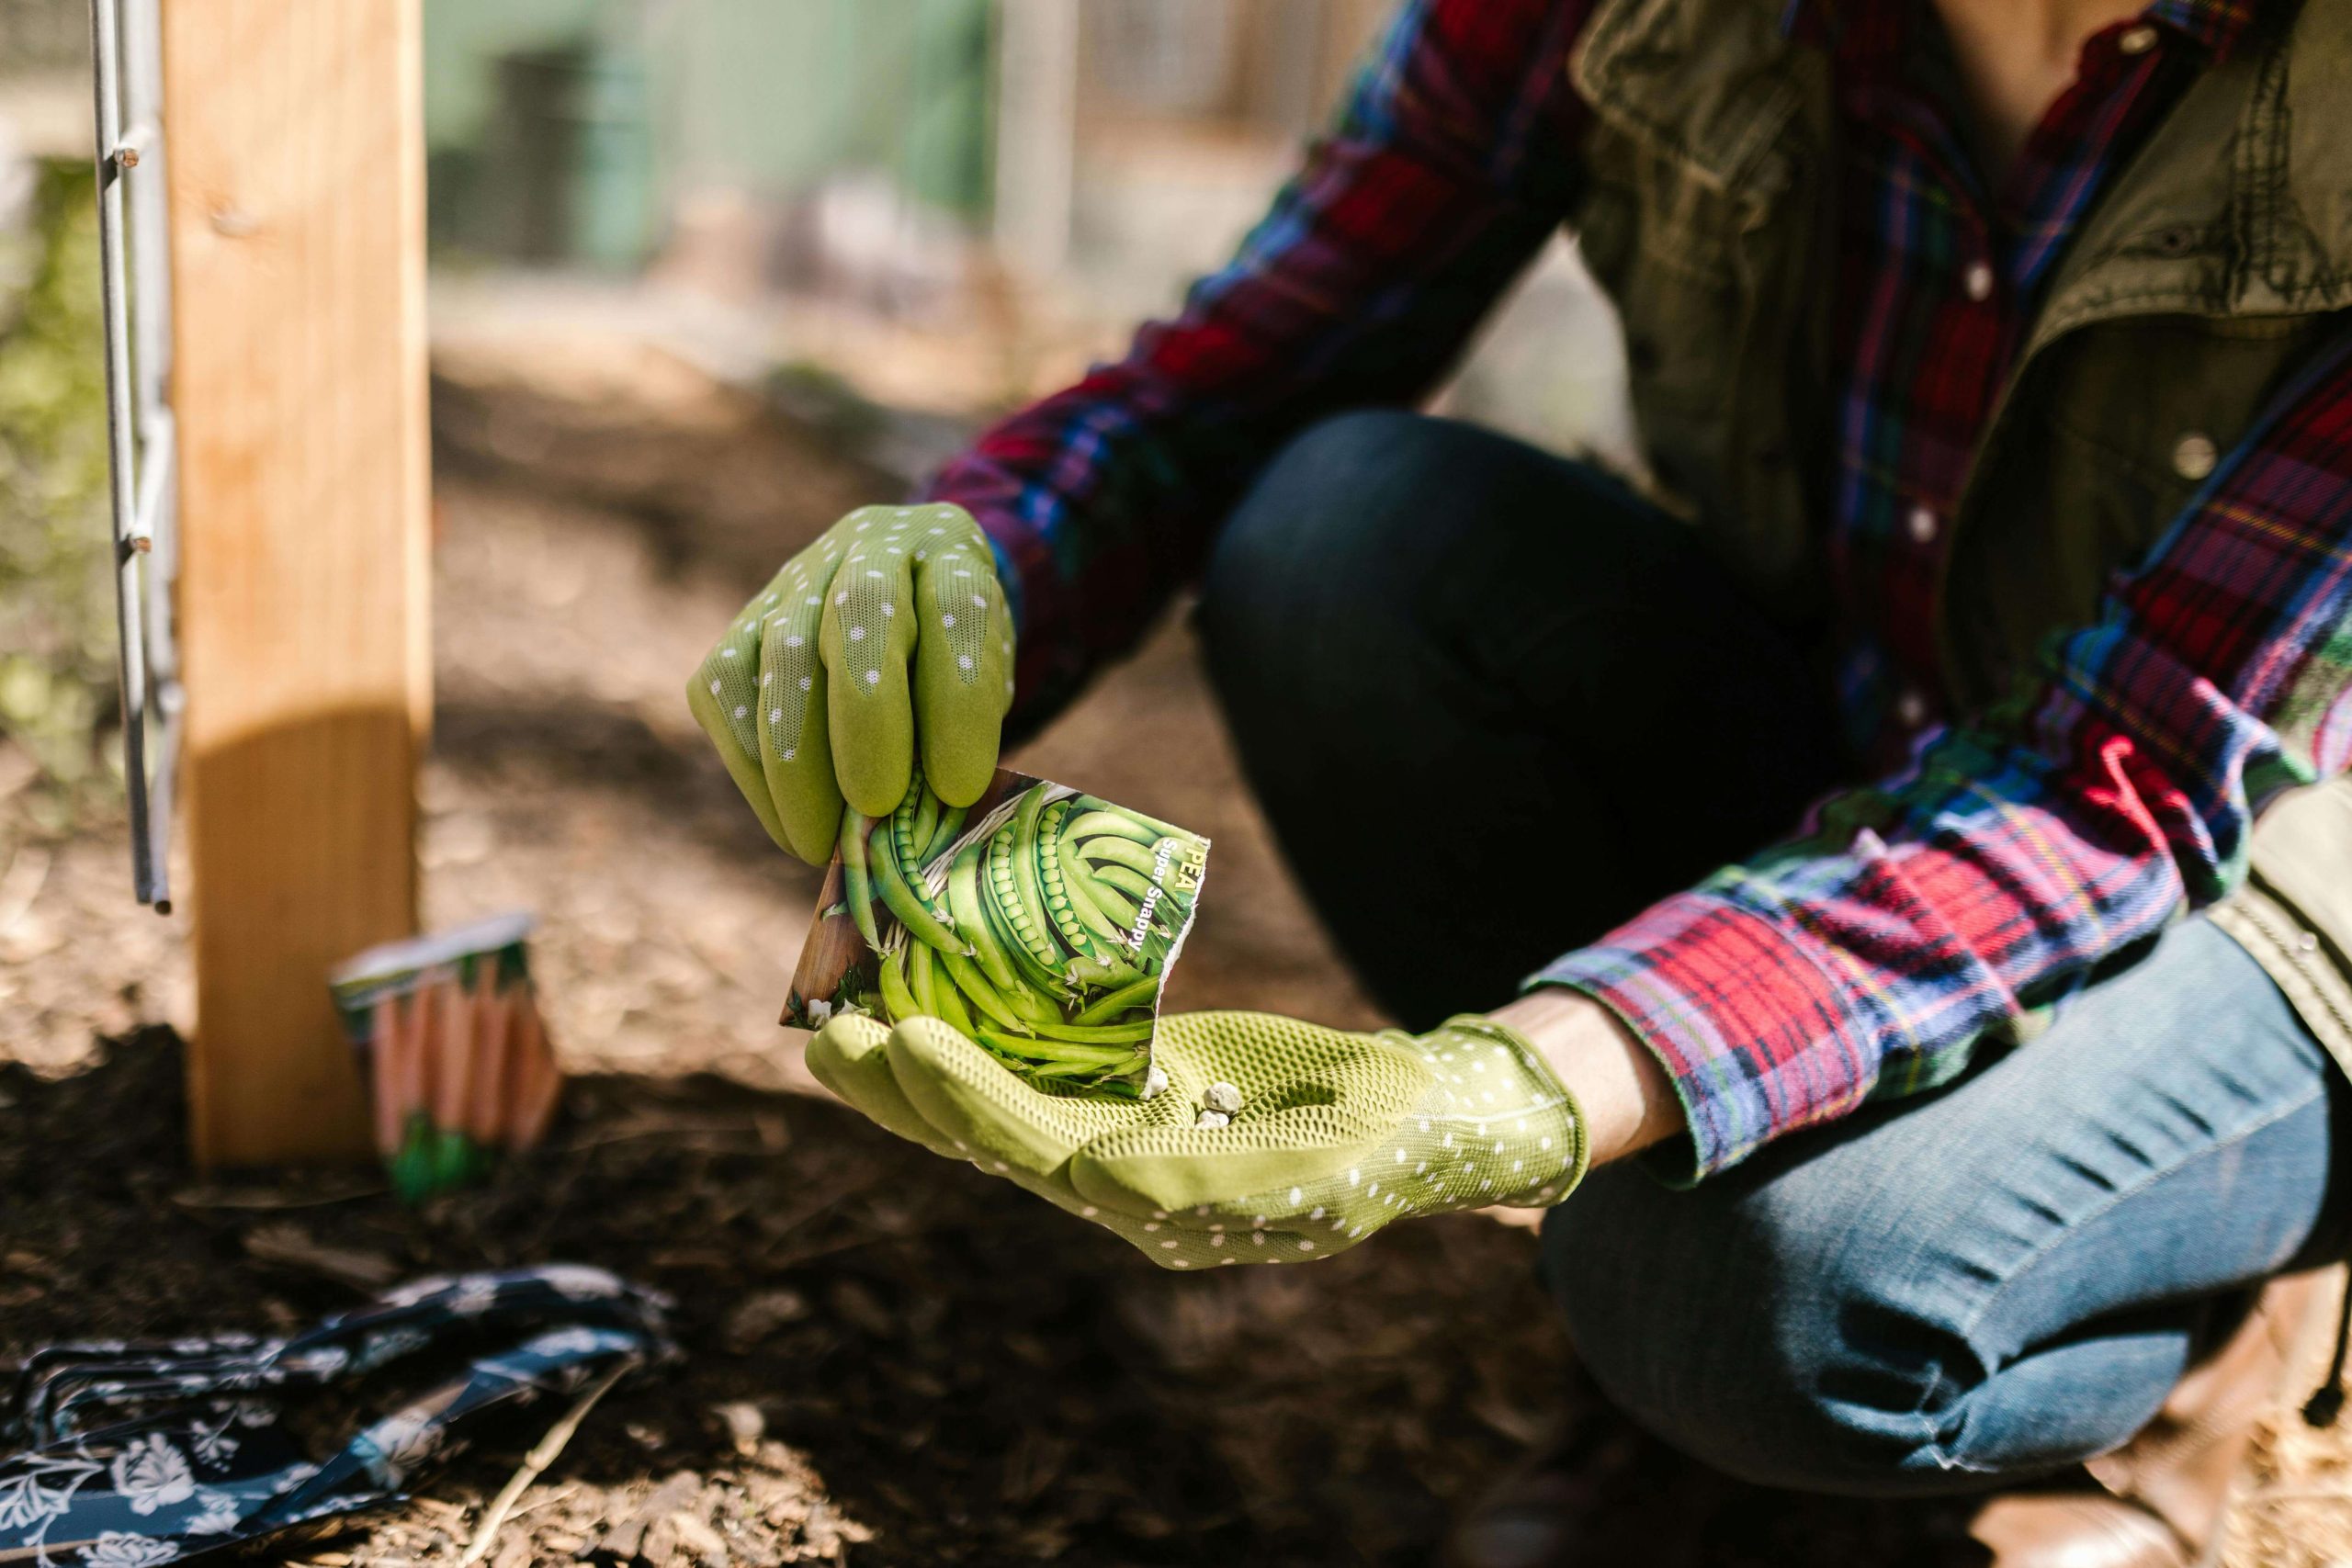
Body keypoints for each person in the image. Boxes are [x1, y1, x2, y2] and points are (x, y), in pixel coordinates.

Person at [688, 0, 2352, 1561]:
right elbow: (1253, 365)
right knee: (1345, 535)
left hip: (2248, 871)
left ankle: (2189, 1343)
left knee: (1760, 1290)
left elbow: (2100, 780)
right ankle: (1690, 1349)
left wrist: (1510, 1095)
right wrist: (978, 573)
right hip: (1864, 753)